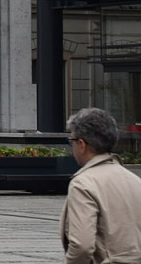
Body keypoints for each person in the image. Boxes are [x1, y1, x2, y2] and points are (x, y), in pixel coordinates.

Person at [60, 107, 141, 264]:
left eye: (71, 141)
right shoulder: (134, 180)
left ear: (81, 144)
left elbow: (81, 246)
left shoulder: (83, 183)